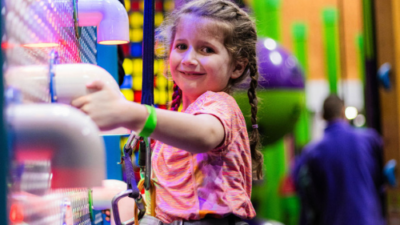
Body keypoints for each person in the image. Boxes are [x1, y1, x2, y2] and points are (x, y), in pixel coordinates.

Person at [72, 0, 264, 224]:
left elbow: (204, 135)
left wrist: (131, 113)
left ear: (237, 66)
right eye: (181, 46)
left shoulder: (220, 105)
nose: (189, 59)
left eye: (206, 50)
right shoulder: (183, 115)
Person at [292, 95, 385, 225]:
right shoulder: (370, 139)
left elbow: (305, 191)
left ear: (322, 116)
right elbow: (384, 178)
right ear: (343, 112)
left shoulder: (312, 152)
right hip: (370, 220)